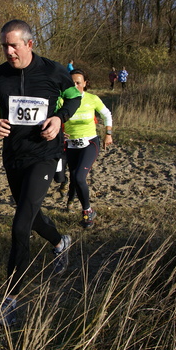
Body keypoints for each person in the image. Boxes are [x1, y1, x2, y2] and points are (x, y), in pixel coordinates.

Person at [0, 19, 81, 327]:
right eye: (4, 46)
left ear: (29, 44)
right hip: (14, 156)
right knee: (30, 214)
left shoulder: (53, 70)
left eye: (14, 45)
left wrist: (60, 119)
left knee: (20, 225)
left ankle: (10, 300)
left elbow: (74, 97)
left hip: (45, 155)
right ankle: (61, 241)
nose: (8, 51)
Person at [63, 68, 113, 229]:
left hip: (90, 143)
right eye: (72, 83)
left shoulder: (92, 99)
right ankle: (70, 200)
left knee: (79, 177)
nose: (75, 85)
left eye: (78, 82)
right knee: (73, 177)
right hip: (70, 144)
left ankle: (87, 210)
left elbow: (106, 114)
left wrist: (108, 134)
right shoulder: (62, 99)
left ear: (85, 83)